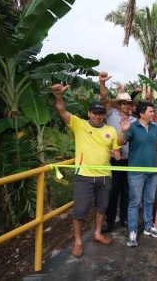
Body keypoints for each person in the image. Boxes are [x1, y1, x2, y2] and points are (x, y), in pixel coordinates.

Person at [52, 84, 120, 258]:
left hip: (105, 176)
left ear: (104, 114)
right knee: (80, 211)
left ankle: (97, 233)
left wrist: (116, 153)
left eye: (100, 113)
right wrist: (59, 96)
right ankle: (78, 241)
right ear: (89, 113)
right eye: (94, 113)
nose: (97, 116)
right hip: (84, 176)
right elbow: (62, 111)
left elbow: (115, 150)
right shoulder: (79, 124)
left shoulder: (110, 130)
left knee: (102, 208)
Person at [118, 101, 157, 247]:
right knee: (135, 203)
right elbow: (120, 142)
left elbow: (156, 150)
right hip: (136, 172)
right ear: (142, 113)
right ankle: (132, 232)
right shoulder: (132, 127)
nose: (153, 113)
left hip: (152, 172)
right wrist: (123, 131)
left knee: (149, 200)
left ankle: (148, 226)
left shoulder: (155, 128)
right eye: (150, 111)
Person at [98, 72, 137, 233]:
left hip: (129, 159)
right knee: (112, 191)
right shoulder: (111, 114)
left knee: (127, 190)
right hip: (113, 159)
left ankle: (126, 219)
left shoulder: (134, 120)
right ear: (119, 105)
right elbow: (105, 99)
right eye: (123, 103)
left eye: (128, 104)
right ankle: (110, 219)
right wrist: (102, 84)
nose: (126, 106)